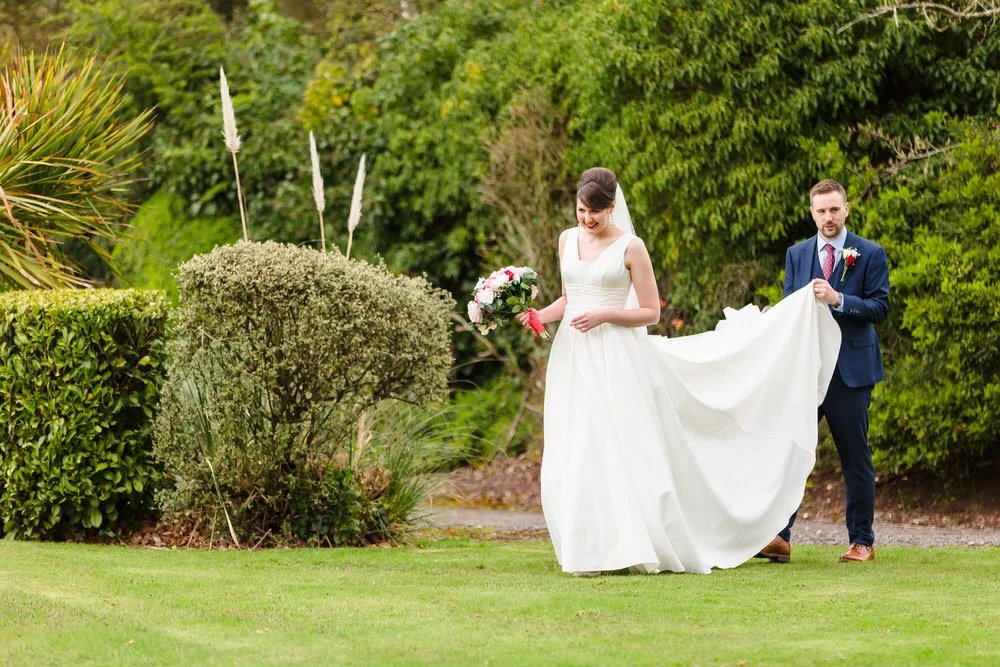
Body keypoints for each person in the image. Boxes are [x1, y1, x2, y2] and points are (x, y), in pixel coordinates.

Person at [517, 167, 841, 575]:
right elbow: (569, 299)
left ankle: (636, 543)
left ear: (612, 208)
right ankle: (590, 547)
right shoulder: (566, 239)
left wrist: (605, 315)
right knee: (579, 445)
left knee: (618, 446)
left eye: (595, 213)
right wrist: (536, 316)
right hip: (573, 355)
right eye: (582, 211)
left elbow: (650, 311)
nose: (587, 220)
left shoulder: (631, 247)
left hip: (616, 355)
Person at [757, 179, 889, 564]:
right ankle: (779, 536)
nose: (828, 217)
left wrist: (839, 299)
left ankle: (862, 541)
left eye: (834, 209)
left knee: (855, 457)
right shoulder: (796, 254)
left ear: (846, 209)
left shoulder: (869, 253)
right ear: (811, 212)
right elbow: (789, 306)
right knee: (791, 451)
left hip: (850, 372)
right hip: (806, 371)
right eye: (821, 210)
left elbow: (880, 307)